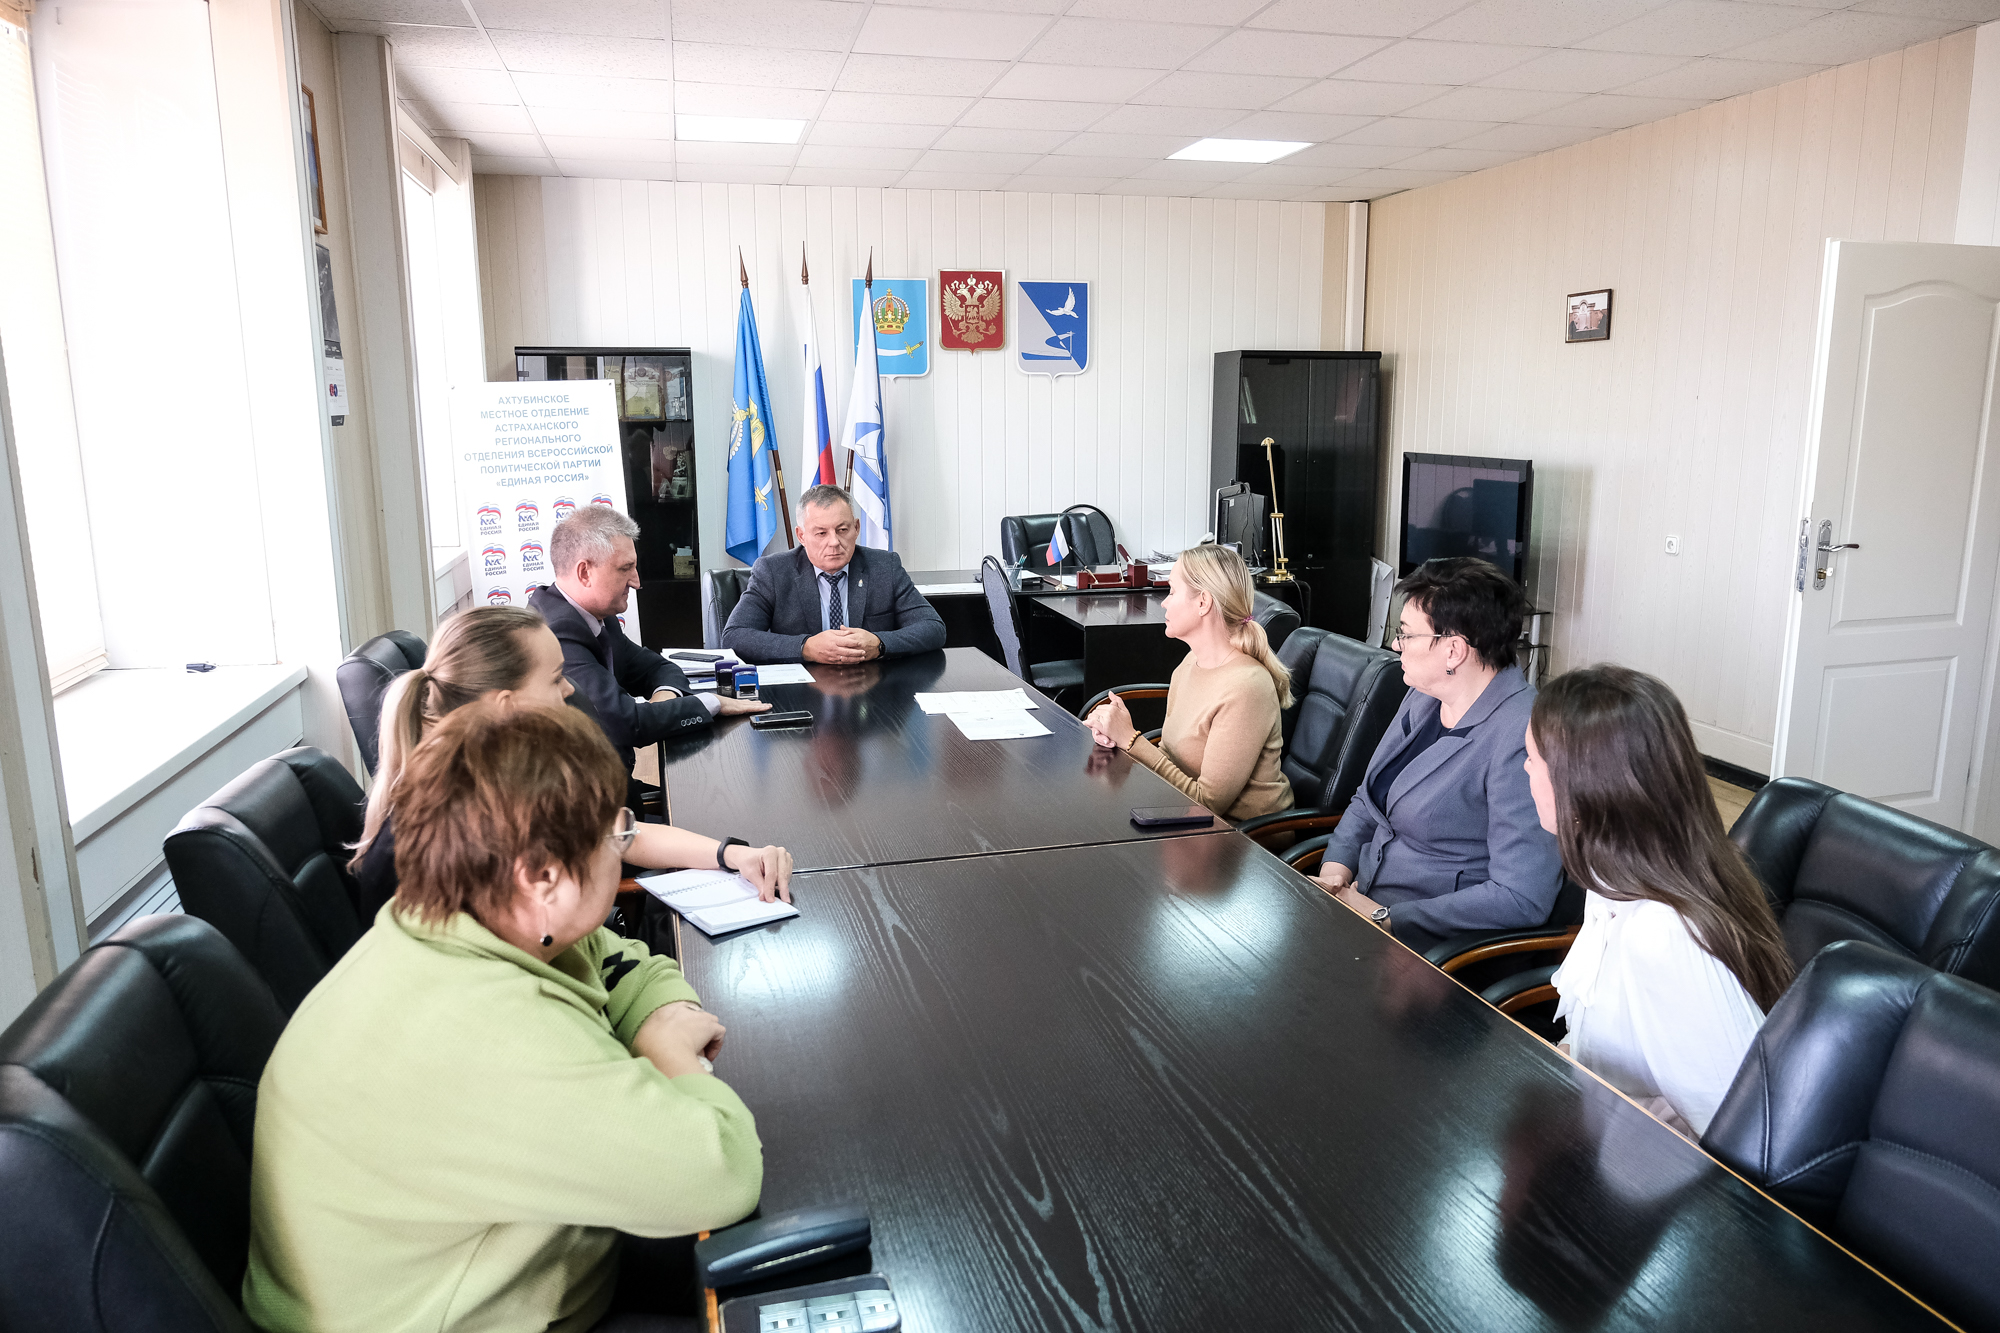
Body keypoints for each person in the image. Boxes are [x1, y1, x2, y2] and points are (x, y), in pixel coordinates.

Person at [245, 702, 763, 1332]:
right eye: (616, 833)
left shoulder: (464, 914)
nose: (624, 847)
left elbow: (622, 957)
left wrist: (659, 1016)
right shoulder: (486, 1033)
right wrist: (674, 1055)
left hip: (530, 1263)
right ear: (543, 876)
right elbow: (722, 1176)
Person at [352, 605, 792, 915]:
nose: (569, 691)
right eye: (557, 678)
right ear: (506, 705)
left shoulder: (504, 772)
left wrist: (729, 853)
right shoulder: (451, 835)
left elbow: (616, 832)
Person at [1526, 664, 1792, 1138]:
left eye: (1532, 759)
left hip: (1653, 1190)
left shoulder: (1663, 933)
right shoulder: (1615, 881)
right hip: (1604, 1146)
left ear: (1587, 789)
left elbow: (1744, 1137)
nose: (1524, 769)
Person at [1316, 557, 1561, 935]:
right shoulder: (1424, 694)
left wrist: (1387, 917)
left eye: (1407, 635)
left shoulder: (1522, 736)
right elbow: (1368, 800)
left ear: (1453, 651)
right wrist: (1334, 875)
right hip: (1359, 908)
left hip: (1435, 948)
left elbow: (1521, 896)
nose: (1396, 645)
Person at [530, 505, 769, 775]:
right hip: (588, 803)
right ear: (585, 573)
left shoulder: (597, 613)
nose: (637, 581)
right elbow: (624, 723)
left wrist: (665, 701)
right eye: (625, 568)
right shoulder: (554, 632)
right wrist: (712, 702)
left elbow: (658, 667)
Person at [1084, 545, 1294, 820]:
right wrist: (1118, 736)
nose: (1164, 602)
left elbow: (1207, 804)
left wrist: (1132, 740)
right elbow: (1170, 756)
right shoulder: (1190, 662)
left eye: (1172, 591)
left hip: (1245, 840)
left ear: (1203, 602)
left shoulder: (1247, 687)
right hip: (1185, 819)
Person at [722, 483, 946, 664]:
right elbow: (735, 635)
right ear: (801, 536)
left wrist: (879, 643)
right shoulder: (773, 571)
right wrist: (806, 647)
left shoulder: (884, 566)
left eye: (842, 530)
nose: (834, 542)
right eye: (821, 533)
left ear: (856, 528)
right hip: (802, 693)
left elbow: (933, 628)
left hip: (872, 691)